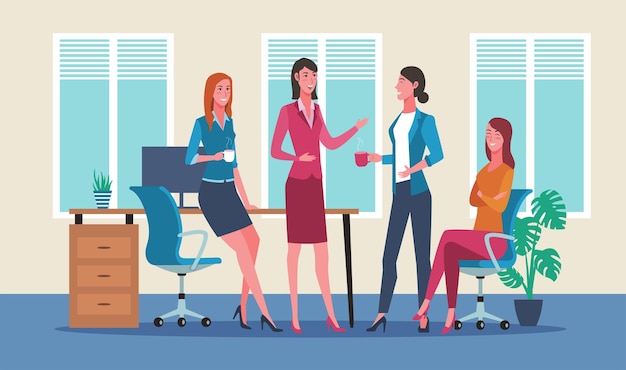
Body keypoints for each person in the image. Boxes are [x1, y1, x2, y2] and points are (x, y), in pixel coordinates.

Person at [271, 58, 368, 334]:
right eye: (305, 75)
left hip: (315, 186)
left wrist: (356, 128)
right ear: (296, 78)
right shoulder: (287, 111)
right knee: (294, 252)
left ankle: (331, 315)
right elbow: (275, 150)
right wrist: (296, 157)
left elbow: (330, 143)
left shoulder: (318, 109)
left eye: (314, 74)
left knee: (322, 253)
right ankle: (294, 316)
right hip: (296, 185)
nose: (311, 79)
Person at [185, 72, 282, 332]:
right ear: (210, 93)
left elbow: (235, 165)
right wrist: (213, 157)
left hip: (230, 193)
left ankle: (243, 306)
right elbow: (189, 158)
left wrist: (246, 200)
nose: (225, 92)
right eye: (220, 88)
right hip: (211, 194)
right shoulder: (201, 123)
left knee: (254, 241)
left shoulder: (230, 122)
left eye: (228, 88)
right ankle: (265, 311)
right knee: (242, 249)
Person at [412, 117, 515, 334]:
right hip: (478, 240)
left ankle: (427, 301)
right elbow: (472, 199)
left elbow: (500, 205)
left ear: (506, 139)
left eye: (497, 134)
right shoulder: (484, 170)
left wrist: (484, 195)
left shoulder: (507, 171)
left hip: (493, 242)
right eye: (488, 133)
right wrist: (489, 196)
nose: (491, 139)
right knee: (449, 249)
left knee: (448, 235)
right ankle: (450, 311)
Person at [366, 66, 444, 333]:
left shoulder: (425, 120)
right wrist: (379, 159)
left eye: (401, 81)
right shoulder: (397, 121)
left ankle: (424, 314)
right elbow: (398, 156)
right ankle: (381, 312)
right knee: (389, 255)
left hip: (420, 194)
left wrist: (414, 168)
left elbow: (438, 154)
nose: (396, 86)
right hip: (399, 193)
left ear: (414, 85)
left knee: (422, 257)